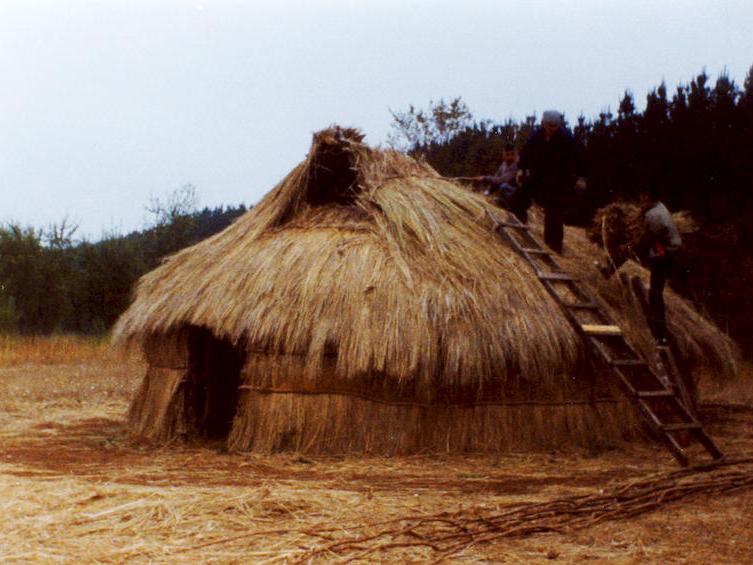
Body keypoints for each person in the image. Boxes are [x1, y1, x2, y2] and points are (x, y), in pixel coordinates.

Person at [516, 111, 586, 253]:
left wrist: (581, 177)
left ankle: (553, 248)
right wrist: (521, 169)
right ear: (543, 124)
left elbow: (580, 158)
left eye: (555, 126)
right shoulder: (537, 135)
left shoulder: (566, 138)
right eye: (550, 125)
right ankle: (519, 226)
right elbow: (526, 153)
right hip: (539, 177)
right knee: (517, 199)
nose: (553, 128)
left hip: (560, 182)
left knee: (554, 215)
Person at [637, 188, 682, 345]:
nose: (640, 199)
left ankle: (661, 335)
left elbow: (645, 241)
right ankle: (661, 333)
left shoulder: (654, 215)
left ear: (647, 196)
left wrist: (630, 248)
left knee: (655, 295)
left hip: (665, 255)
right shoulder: (659, 207)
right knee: (656, 294)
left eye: (642, 196)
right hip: (667, 252)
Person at [476, 144, 530, 222]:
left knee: (503, 186)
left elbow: (503, 179)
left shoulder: (517, 164)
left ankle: (515, 211)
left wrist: (485, 178)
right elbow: (496, 179)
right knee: (502, 187)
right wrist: (487, 192)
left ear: (515, 154)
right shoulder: (503, 165)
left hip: (523, 196)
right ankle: (506, 206)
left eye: (512, 154)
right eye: (507, 154)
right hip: (512, 193)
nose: (509, 156)